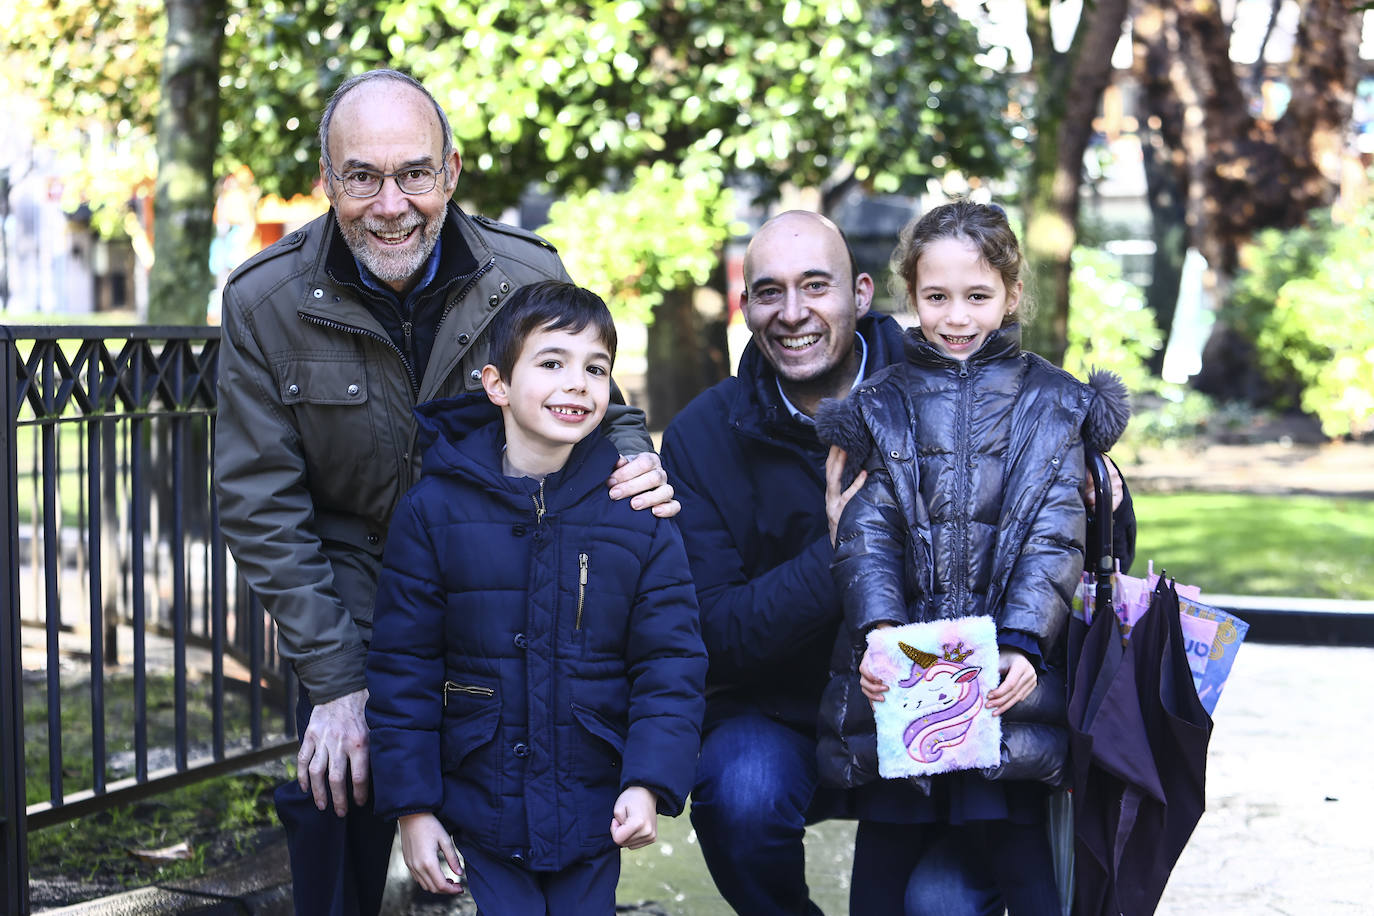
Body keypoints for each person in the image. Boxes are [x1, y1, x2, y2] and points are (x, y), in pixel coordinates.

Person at [213, 69, 676, 916]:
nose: (391, 204)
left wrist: (632, 455)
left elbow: (577, 380)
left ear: (451, 173)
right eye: (362, 177)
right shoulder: (263, 302)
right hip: (351, 578)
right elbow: (261, 504)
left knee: (522, 741)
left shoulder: (522, 270)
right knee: (342, 766)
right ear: (329, 181)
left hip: (489, 570)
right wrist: (338, 680)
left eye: (413, 174)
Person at [660, 210, 1135, 916]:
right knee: (751, 798)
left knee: (961, 886)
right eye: (770, 291)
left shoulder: (1021, 397)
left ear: (860, 294)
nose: (793, 313)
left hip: (973, 683)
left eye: (815, 286)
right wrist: (846, 562)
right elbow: (720, 634)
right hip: (818, 706)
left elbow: (1059, 536)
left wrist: (1106, 511)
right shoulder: (718, 431)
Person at [813, 199, 1131, 916]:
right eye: (936, 297)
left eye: (977, 296)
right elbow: (868, 530)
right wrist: (879, 633)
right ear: (911, 297)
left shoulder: (1056, 405)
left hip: (1004, 677)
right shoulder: (880, 403)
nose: (956, 317)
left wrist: (1022, 644)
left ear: (1012, 294)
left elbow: (1055, 535)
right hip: (906, 674)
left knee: (1022, 861)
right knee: (882, 869)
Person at [363, 280, 707, 914]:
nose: (577, 383)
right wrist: (413, 808)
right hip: (480, 801)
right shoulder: (433, 512)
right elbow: (403, 668)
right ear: (497, 384)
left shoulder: (638, 512)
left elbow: (671, 663)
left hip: (591, 804)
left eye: (595, 368)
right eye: (552, 362)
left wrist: (648, 780)